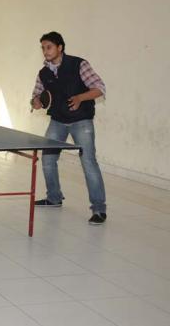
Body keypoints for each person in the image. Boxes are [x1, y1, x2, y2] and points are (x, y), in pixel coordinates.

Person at [31, 31, 107, 225]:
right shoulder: (43, 73)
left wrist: (80, 97)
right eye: (43, 48)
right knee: (48, 159)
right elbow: (36, 97)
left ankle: (99, 209)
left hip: (81, 121)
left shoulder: (79, 64)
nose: (45, 51)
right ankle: (54, 198)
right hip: (57, 121)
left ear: (60, 47)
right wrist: (36, 102)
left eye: (49, 47)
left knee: (88, 162)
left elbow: (99, 88)